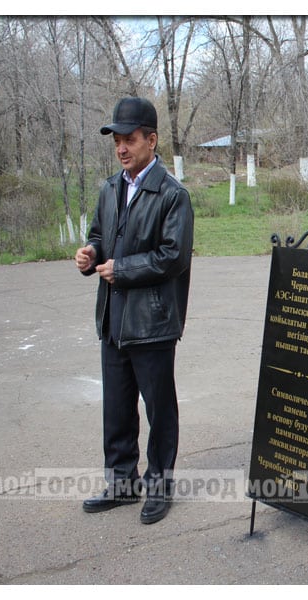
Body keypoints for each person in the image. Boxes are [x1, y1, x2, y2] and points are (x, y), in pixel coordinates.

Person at [75, 96, 194, 525]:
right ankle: (122, 483)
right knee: (117, 408)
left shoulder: (173, 195)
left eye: (129, 139)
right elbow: (99, 235)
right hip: (113, 319)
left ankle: (159, 487)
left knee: (159, 410)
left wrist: (121, 269)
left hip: (153, 322)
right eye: (117, 141)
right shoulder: (110, 188)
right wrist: (91, 254)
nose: (121, 148)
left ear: (151, 140)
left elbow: (173, 257)